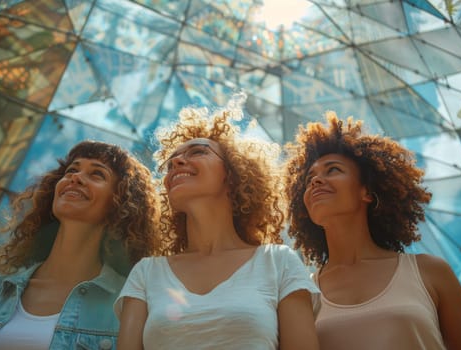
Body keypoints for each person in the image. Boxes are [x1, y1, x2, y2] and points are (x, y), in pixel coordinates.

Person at [115, 94, 320, 350]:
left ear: (233, 174)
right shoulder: (146, 273)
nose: (177, 162)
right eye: (171, 162)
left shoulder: (278, 263)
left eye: (198, 152)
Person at [284, 111, 461, 350]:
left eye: (333, 170)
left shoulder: (429, 272)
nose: (316, 181)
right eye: (309, 179)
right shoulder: (301, 295)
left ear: (366, 192)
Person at [0, 140, 160, 349]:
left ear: (121, 204)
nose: (75, 177)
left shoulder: (130, 306)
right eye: (72, 170)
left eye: (97, 174)